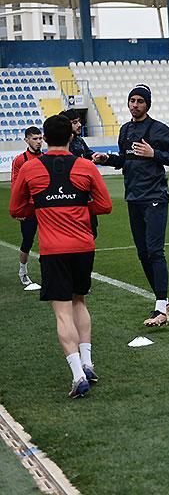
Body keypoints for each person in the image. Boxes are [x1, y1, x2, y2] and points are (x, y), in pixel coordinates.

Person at [9, 114, 112, 398]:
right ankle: (88, 363)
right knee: (80, 302)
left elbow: (16, 209)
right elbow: (105, 206)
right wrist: (78, 205)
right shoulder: (86, 166)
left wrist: (43, 207)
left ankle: (78, 374)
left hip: (53, 250)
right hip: (83, 246)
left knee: (62, 311)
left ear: (45, 138)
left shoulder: (30, 169)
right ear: (71, 137)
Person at [92, 85, 169, 327]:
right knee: (143, 253)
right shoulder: (125, 130)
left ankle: (160, 307)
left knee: (155, 251)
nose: (135, 104)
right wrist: (108, 159)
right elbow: (126, 160)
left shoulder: (158, 129)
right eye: (132, 100)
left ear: (147, 104)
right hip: (133, 198)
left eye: (140, 101)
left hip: (155, 197)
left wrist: (154, 153)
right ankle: (164, 302)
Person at [11, 126, 44, 289]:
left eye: (40, 138)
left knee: (48, 240)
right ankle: (22, 272)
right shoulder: (20, 160)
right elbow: (16, 186)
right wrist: (18, 209)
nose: (39, 142)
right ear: (26, 140)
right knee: (28, 240)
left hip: (45, 206)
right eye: (35, 138)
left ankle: (49, 271)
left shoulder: (45, 158)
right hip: (29, 208)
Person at [60, 109, 100, 237]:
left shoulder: (79, 140)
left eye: (79, 121)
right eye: (74, 122)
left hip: (85, 194)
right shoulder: (61, 145)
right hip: (69, 195)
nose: (79, 125)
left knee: (92, 231)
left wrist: (95, 156)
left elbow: (88, 153)